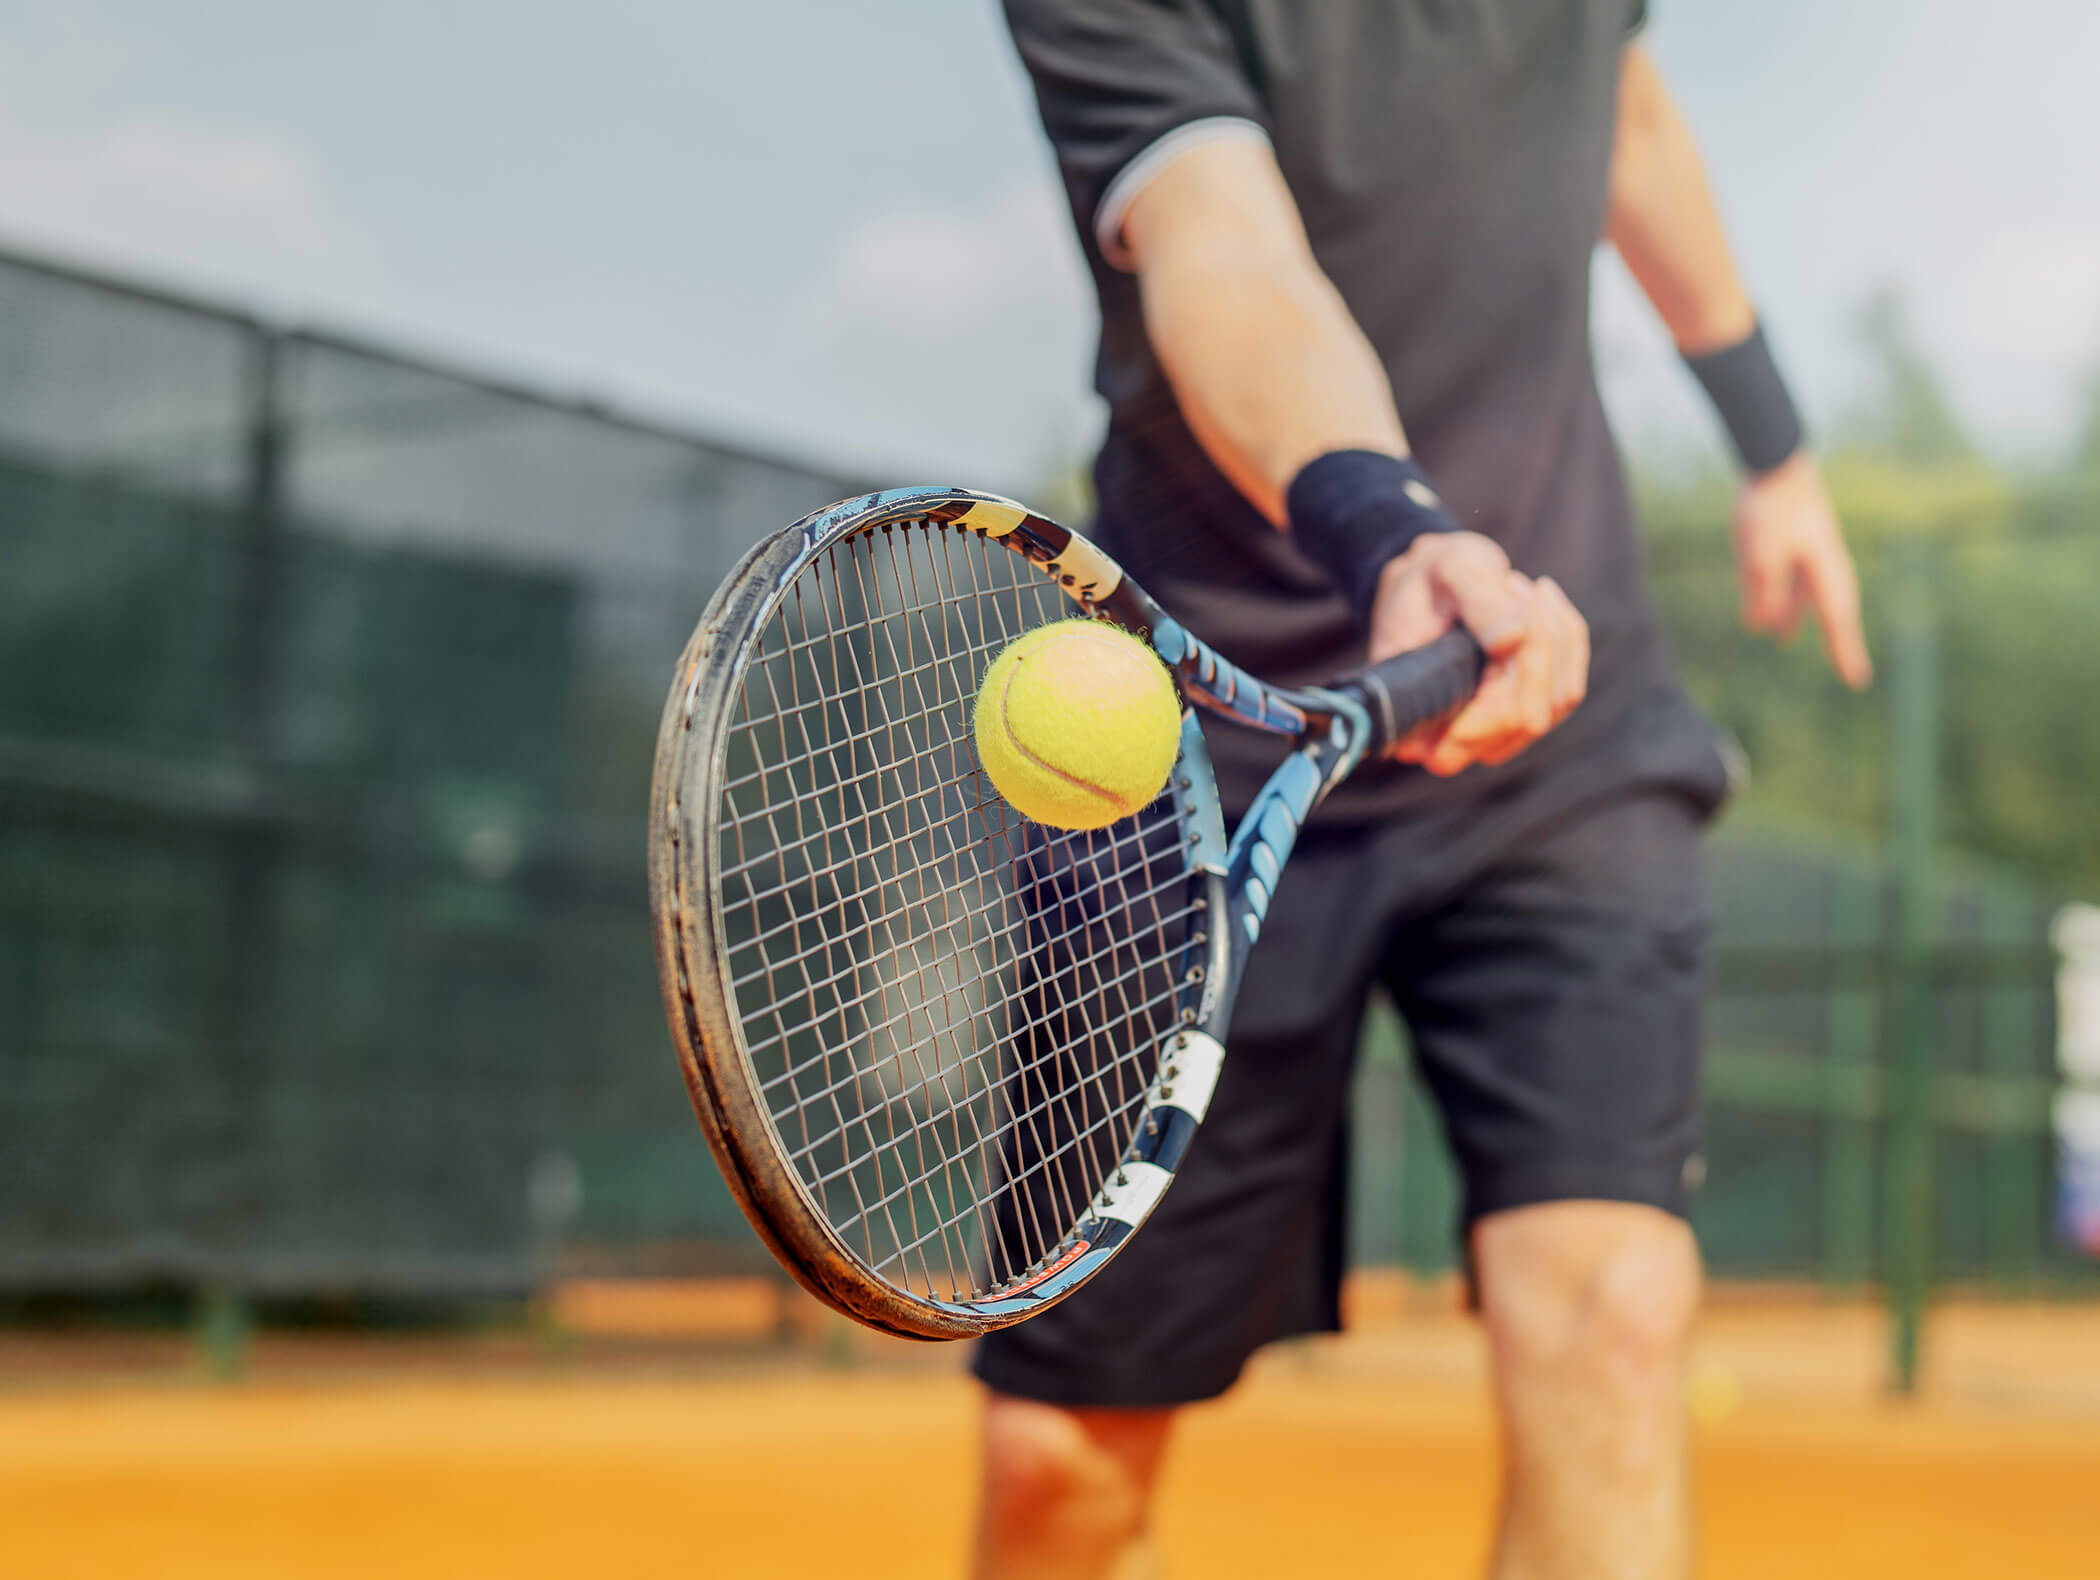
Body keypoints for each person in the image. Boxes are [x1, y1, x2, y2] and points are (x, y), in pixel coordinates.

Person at [975, 4, 1870, 1578]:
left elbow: (1632, 123)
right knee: (1064, 1459)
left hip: (1549, 710)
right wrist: (1388, 526)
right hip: (1196, 740)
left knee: (1613, 1323)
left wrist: (1773, 444)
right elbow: (1226, 250)